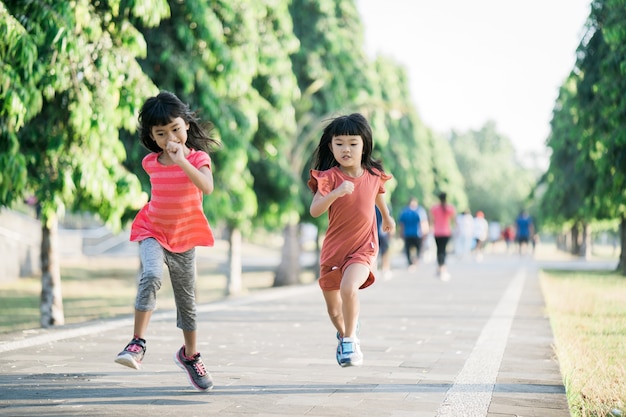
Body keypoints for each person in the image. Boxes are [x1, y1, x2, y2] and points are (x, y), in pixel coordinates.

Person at [114, 91, 220, 392]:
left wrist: (181, 160)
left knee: (187, 303)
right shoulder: (150, 162)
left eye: (175, 129)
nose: (169, 137)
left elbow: (207, 187)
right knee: (150, 274)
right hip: (153, 230)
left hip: (184, 238)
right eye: (161, 134)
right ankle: (137, 343)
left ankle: (190, 356)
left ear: (186, 125)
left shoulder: (199, 158)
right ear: (152, 136)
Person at [308, 113, 395, 367]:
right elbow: (315, 210)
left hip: (363, 247)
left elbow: (378, 194)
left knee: (349, 288)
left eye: (353, 143)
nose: (346, 149)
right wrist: (336, 192)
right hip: (334, 251)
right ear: (331, 146)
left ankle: (349, 340)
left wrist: (387, 217)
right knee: (335, 310)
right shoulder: (329, 177)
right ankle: (345, 331)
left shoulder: (374, 174)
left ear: (364, 144)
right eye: (339, 143)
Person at [430, 192, 456, 281]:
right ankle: (443, 268)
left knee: (439, 250)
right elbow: (453, 220)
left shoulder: (434, 208)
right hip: (446, 232)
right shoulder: (450, 208)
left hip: (437, 232)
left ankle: (440, 268)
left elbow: (432, 220)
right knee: (443, 250)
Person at [398, 197, 427, 270]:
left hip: (408, 233)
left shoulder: (404, 211)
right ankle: (414, 261)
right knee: (418, 248)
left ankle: (411, 263)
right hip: (416, 234)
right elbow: (423, 222)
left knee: (408, 249)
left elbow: (401, 224)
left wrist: (401, 233)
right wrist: (424, 232)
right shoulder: (419, 210)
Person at [376, 205, 393, 279]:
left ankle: (381, 269)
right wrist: (390, 233)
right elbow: (390, 219)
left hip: (375, 232)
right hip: (383, 232)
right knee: (384, 253)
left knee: (377, 253)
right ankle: (385, 269)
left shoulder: (371, 204)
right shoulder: (386, 205)